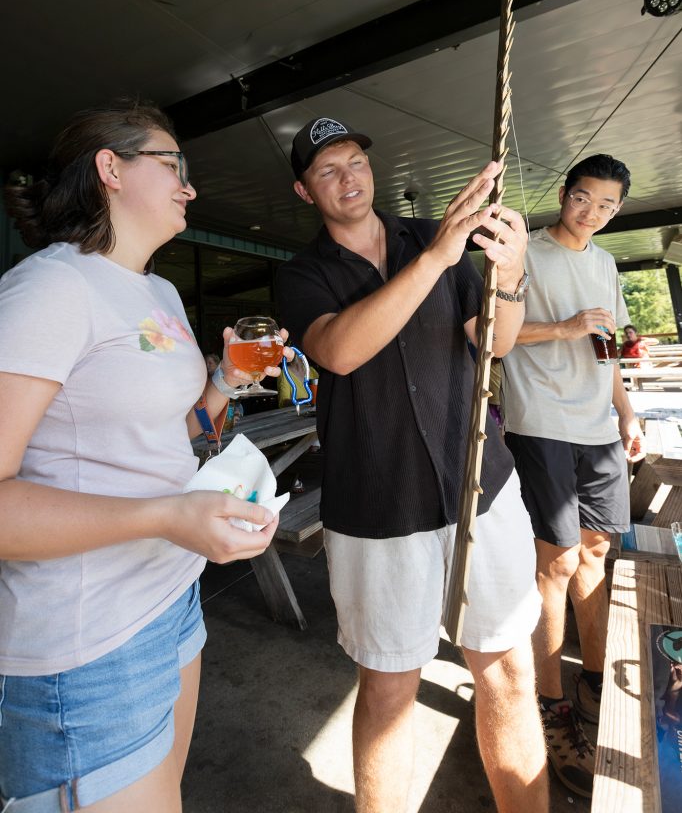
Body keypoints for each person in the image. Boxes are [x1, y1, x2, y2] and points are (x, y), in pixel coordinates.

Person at [0, 100, 286, 812]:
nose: (190, 187)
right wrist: (168, 515)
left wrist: (224, 383)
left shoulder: (155, 290)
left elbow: (171, 433)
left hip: (171, 599)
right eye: (173, 166)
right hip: (88, 638)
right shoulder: (50, 288)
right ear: (110, 169)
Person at [276, 117, 548, 813]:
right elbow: (337, 351)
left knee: (510, 670)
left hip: (480, 487)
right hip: (377, 504)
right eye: (327, 170)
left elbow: (495, 343)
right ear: (304, 191)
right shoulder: (302, 274)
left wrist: (510, 277)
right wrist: (435, 259)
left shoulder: (434, 237)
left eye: (354, 160)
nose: (348, 178)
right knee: (391, 689)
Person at [501, 153, 644, 798]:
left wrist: (627, 410)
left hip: (597, 428)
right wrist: (563, 325)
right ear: (564, 192)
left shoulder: (606, 263)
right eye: (584, 198)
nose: (593, 213)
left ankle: (592, 684)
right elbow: (489, 335)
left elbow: (606, 348)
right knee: (554, 562)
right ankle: (549, 705)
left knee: (596, 554)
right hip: (541, 423)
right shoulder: (523, 251)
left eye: (607, 206)